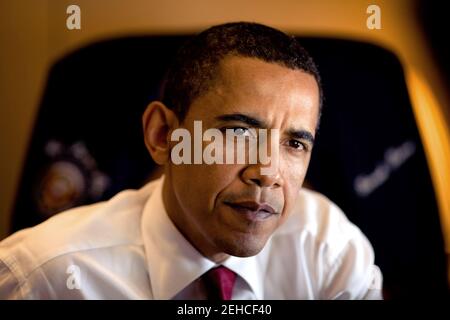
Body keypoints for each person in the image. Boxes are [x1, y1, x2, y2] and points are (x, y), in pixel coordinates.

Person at [0, 22, 382, 299]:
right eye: (237, 133)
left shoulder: (329, 249)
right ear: (163, 136)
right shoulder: (43, 276)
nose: (268, 173)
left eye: (295, 143)